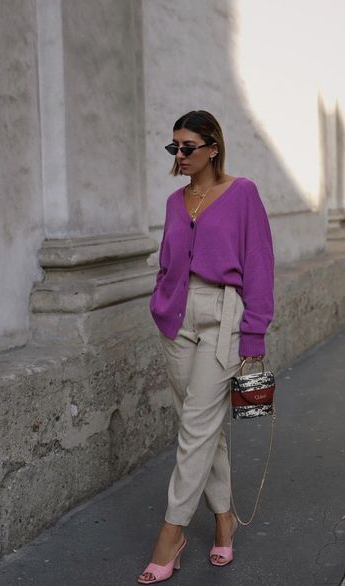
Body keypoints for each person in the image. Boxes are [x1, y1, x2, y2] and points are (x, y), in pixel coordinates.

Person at [138, 110, 274, 584]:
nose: (179, 155)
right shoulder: (177, 202)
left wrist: (254, 332)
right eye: (173, 147)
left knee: (196, 425)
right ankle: (223, 519)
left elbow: (259, 263)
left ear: (213, 147)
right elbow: (168, 260)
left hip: (224, 317)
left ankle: (170, 532)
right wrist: (161, 299)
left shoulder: (242, 193)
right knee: (201, 424)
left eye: (187, 146)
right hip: (177, 319)